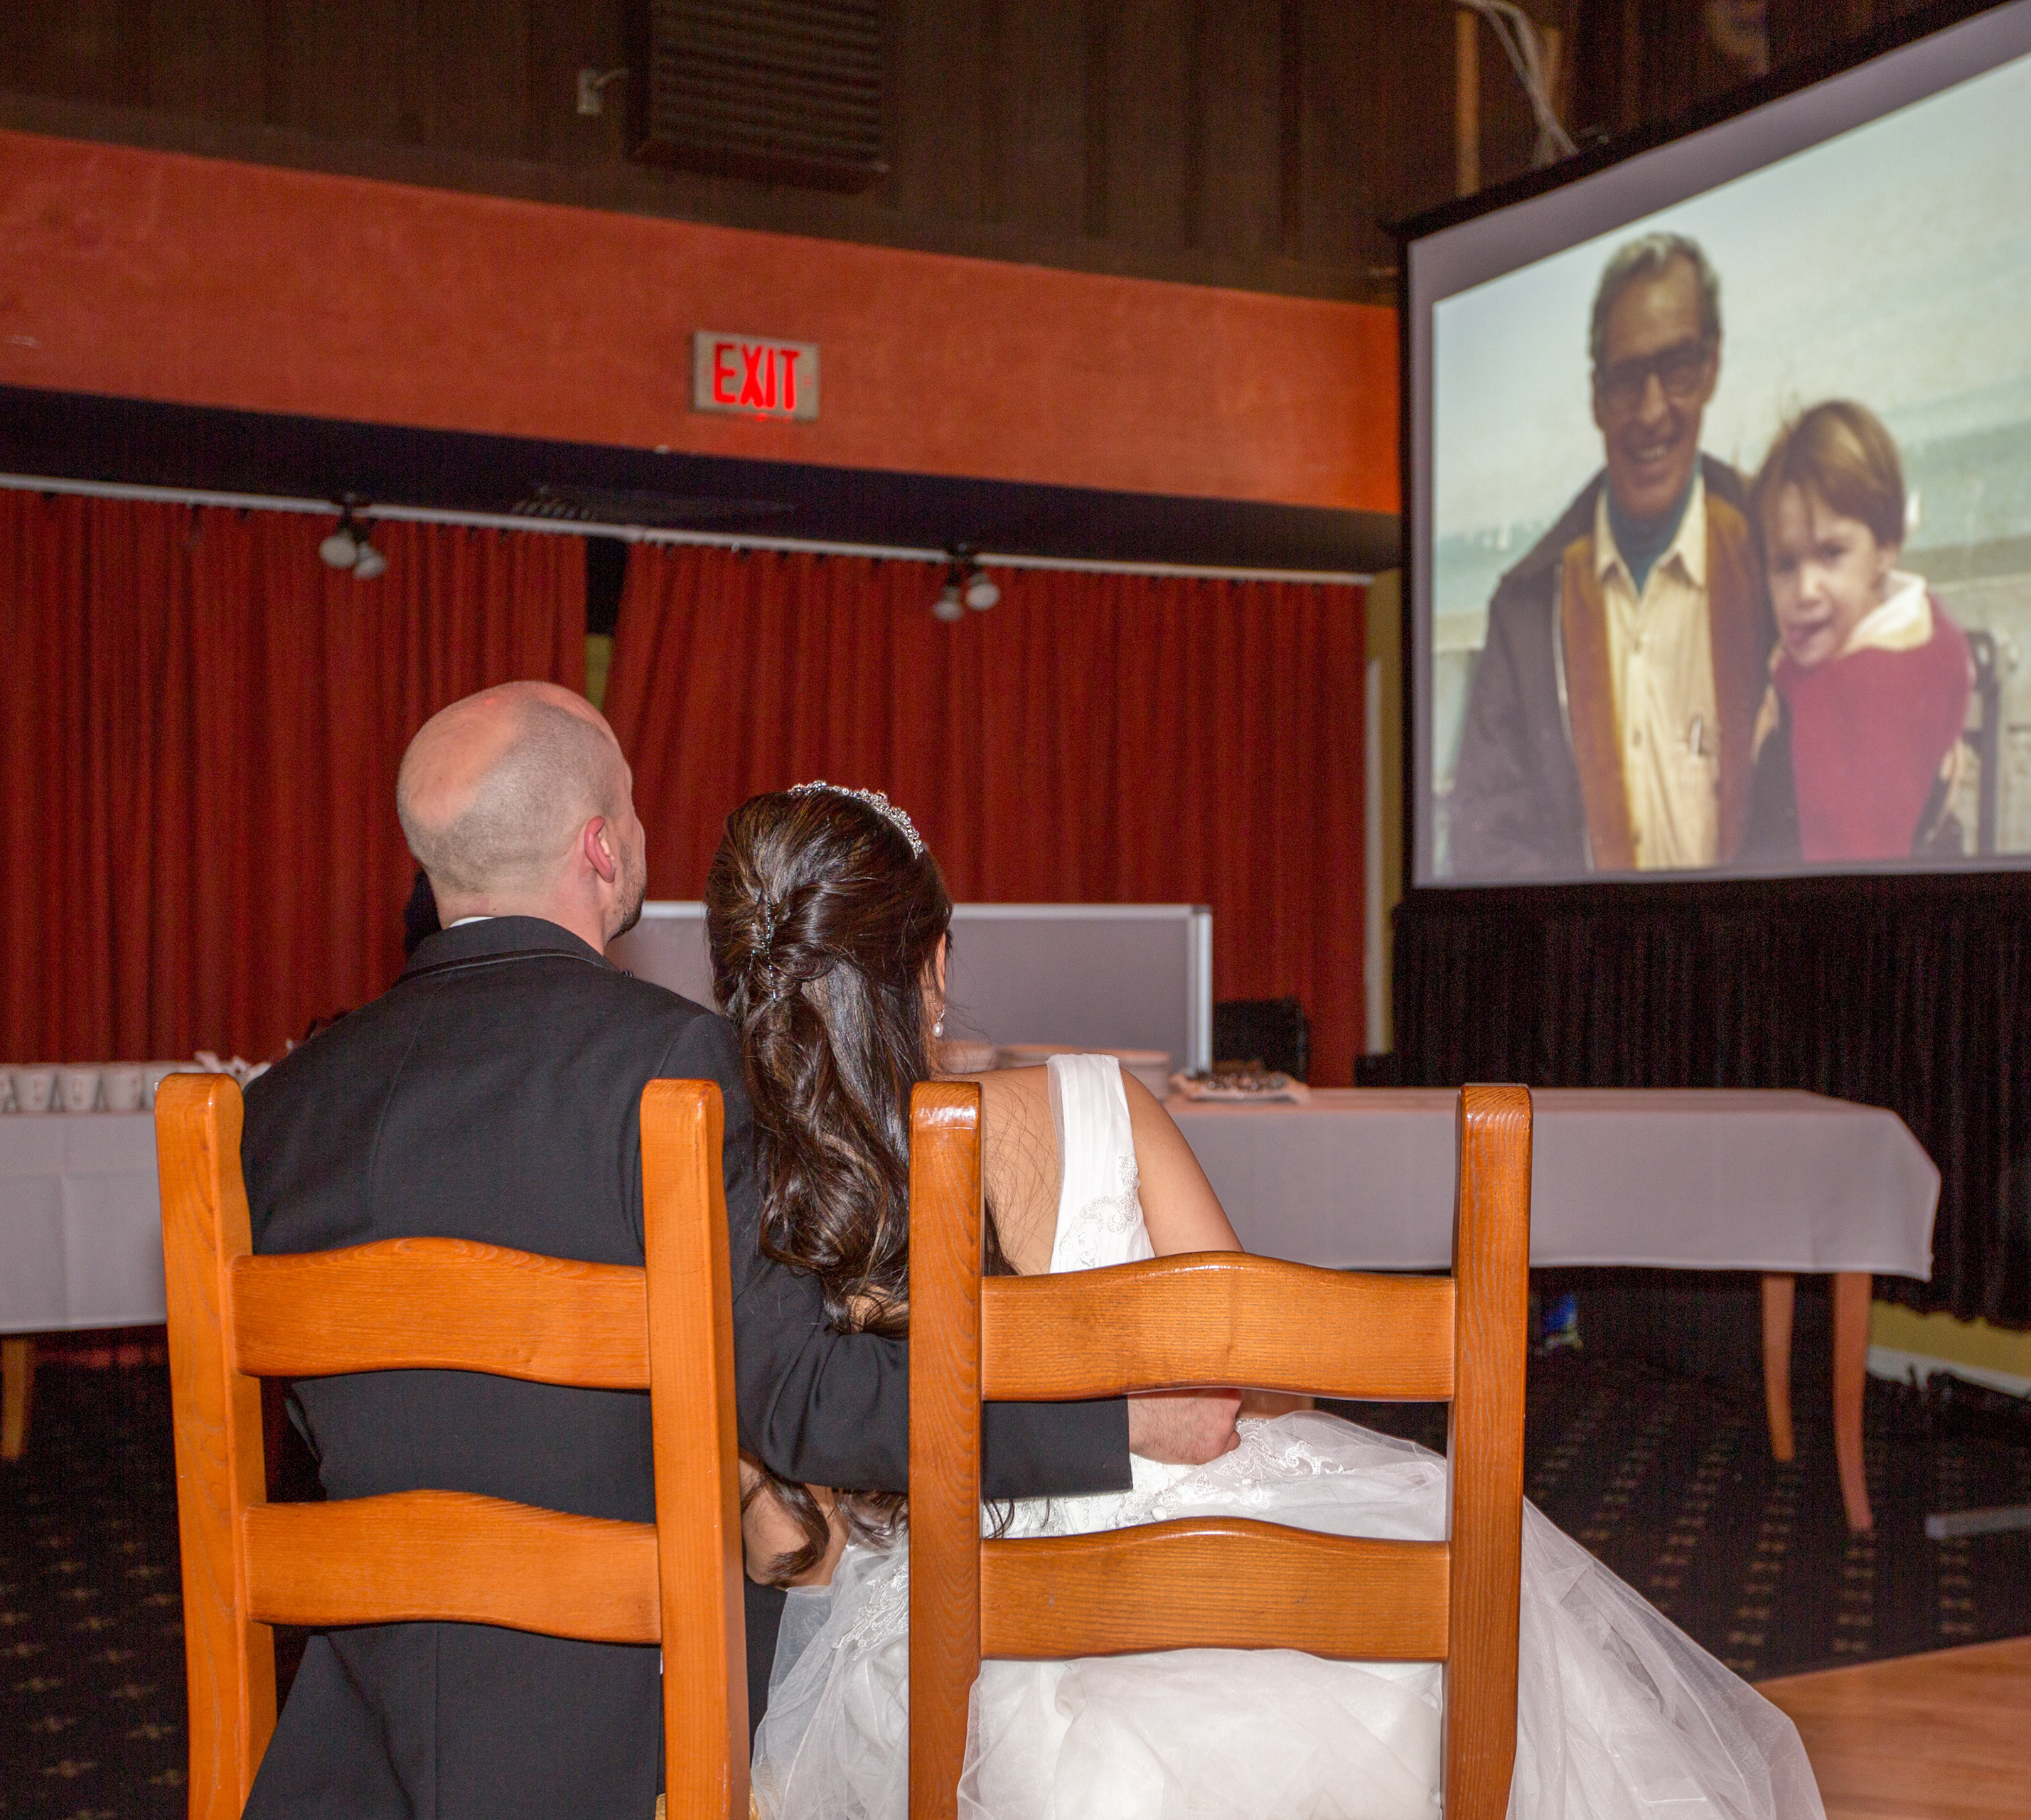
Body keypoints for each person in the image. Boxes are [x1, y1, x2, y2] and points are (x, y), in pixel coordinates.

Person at [717, 785, 1825, 1820]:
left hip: (964, 1676)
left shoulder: (781, 1198)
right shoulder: (1095, 1101)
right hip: (1251, 1594)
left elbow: (793, 1545)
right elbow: (1255, 1372)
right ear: (935, 964)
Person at [237, 687, 1236, 1819]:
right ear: (603, 850)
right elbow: (803, 1399)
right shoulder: (675, 1064)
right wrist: (1112, 1428)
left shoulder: (279, 1108)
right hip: (622, 1727)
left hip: (353, 1741)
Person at [1448, 232, 1772, 879]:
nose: (1651, 412)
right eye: (1626, 380)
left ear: (1712, 367)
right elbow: (1486, 843)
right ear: (1596, 397)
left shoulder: (1774, 556)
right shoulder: (1527, 606)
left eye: (1677, 368)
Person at [1744, 401, 1973, 863]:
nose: (1805, 590)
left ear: (1886, 548)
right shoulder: (1922, 628)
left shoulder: (1868, 702)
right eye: (1785, 565)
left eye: (1831, 554)